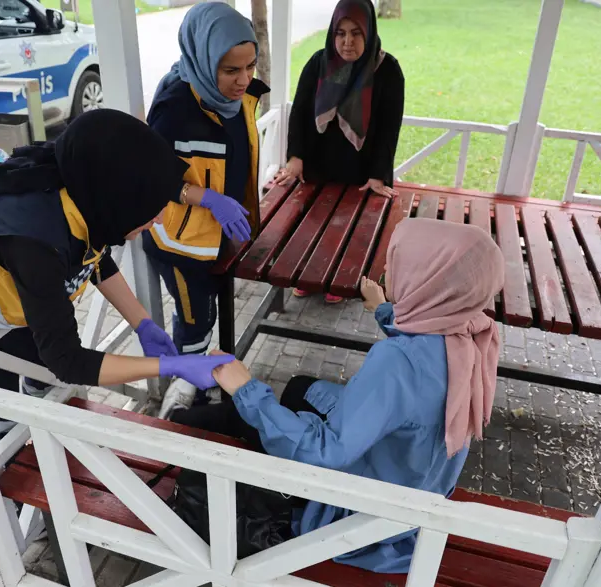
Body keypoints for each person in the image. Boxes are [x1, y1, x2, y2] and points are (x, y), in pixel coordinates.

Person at [174, 218, 504, 573]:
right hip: (418, 480)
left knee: (241, 413)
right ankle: (193, 424)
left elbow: (327, 453)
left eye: (397, 264)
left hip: (364, 515)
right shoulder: (471, 331)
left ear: (425, 283)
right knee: (299, 387)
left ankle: (174, 428)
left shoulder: (397, 362)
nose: (387, 271)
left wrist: (245, 388)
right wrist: (383, 309)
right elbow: (424, 336)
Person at [0, 109, 233, 437]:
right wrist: (171, 365)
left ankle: (43, 416)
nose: (158, 219)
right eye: (151, 207)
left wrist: (142, 323)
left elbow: (94, 256)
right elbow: (68, 361)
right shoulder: (33, 240)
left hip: (25, 299)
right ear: (119, 202)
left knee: (45, 378)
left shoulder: (82, 188)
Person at [142, 2, 267, 407]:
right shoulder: (176, 106)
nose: (244, 80)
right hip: (180, 243)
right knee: (194, 318)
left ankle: (198, 377)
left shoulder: (237, 98)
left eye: (250, 67)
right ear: (203, 58)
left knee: (205, 311)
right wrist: (209, 199)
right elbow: (152, 177)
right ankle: (184, 397)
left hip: (216, 234)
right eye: (231, 70)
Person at [277, 0, 405, 304]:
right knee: (311, 221)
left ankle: (339, 278)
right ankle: (308, 274)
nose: (347, 42)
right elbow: (300, 113)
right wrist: (295, 158)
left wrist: (378, 175)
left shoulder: (387, 70)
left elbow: (389, 128)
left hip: (360, 169)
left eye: (356, 33)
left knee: (352, 228)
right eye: (341, 33)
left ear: (369, 32)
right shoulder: (319, 63)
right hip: (317, 164)